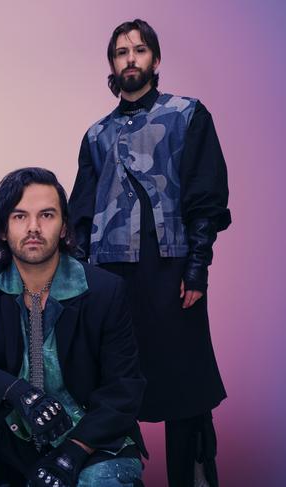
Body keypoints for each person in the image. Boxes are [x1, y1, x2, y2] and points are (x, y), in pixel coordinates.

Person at [67, 19, 231, 487]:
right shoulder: (96, 135)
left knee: (187, 388)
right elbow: (80, 214)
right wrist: (81, 279)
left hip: (172, 269)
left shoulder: (187, 115)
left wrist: (197, 268)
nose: (130, 58)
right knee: (114, 384)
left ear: (155, 61)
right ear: (113, 66)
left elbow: (206, 196)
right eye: (121, 52)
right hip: (111, 277)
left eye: (139, 50)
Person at [0, 167, 146, 487]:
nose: (33, 227)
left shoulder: (105, 290)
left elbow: (124, 391)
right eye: (19, 216)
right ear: (3, 229)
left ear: (64, 227)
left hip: (88, 441)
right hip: (17, 436)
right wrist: (19, 393)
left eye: (46, 215)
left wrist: (72, 453)